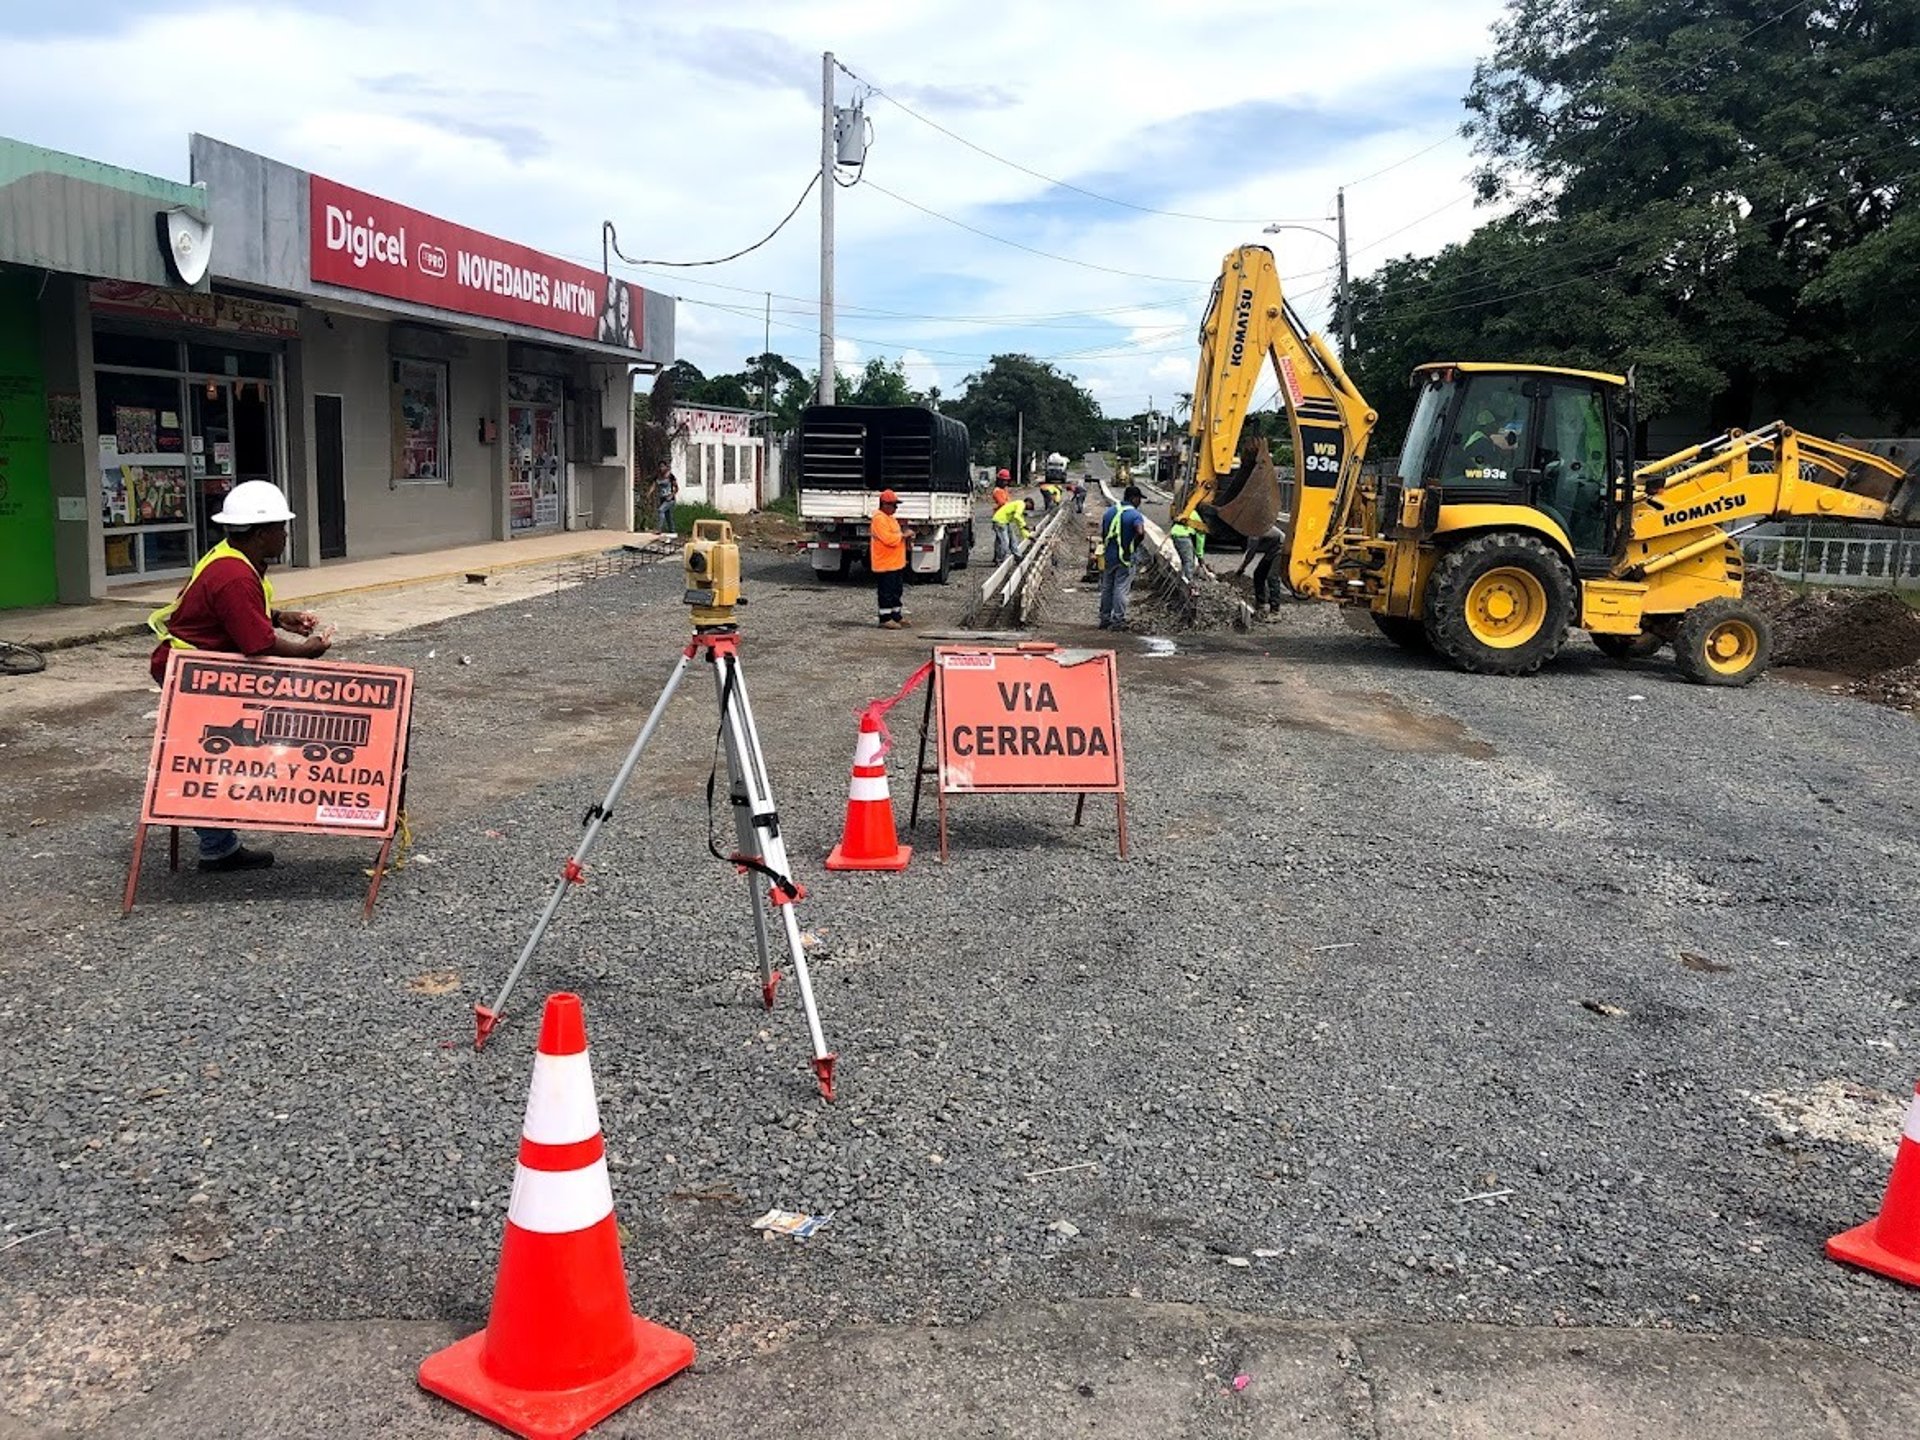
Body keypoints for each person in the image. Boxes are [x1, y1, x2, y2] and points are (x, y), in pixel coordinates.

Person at [146, 480, 331, 872]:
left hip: (200, 668)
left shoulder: (233, 558)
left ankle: (218, 843)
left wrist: (280, 617)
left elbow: (239, 614)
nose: (285, 534)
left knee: (215, 751)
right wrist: (305, 651)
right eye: (280, 527)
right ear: (262, 533)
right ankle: (216, 843)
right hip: (194, 672)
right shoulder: (234, 575)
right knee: (203, 755)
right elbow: (257, 644)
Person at [1098, 484, 1148, 630]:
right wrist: (1133, 546)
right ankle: (1118, 621)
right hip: (1125, 558)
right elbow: (1140, 532)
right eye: (1139, 499)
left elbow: (1104, 533)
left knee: (1107, 587)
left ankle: (1104, 619)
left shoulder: (1110, 512)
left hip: (1109, 556)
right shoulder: (1134, 515)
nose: (1140, 502)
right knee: (1121, 587)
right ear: (1134, 498)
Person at [870, 488, 914, 629]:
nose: (895, 508)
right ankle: (885, 618)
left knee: (896, 591)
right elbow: (889, 539)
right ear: (884, 504)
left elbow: (896, 538)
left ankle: (896, 616)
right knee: (886, 592)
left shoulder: (891, 519)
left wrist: (906, 539)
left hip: (895, 563)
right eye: (893, 505)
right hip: (885, 563)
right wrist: (904, 536)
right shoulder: (879, 519)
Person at [992, 490, 1031, 562]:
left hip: (1005, 522)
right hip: (999, 521)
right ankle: (1000, 559)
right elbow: (1017, 517)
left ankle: (1017, 556)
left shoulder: (1019, 510)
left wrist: (1029, 536)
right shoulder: (1021, 504)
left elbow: (1020, 525)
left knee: (1013, 539)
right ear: (1028, 502)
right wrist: (1025, 525)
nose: (1029, 508)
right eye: (1030, 505)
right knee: (1005, 542)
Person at [1168, 512, 1207, 583]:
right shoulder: (1200, 524)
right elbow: (1200, 540)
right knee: (1188, 561)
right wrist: (1200, 556)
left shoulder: (1192, 512)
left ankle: (1183, 578)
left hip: (1176, 534)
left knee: (1185, 560)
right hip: (1182, 536)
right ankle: (1189, 583)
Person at [653, 461, 679, 535]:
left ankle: (659, 529)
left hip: (670, 499)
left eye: (663, 466)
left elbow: (676, 488)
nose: (661, 468)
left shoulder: (670, 476)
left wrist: (671, 495)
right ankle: (672, 530)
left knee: (660, 510)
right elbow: (654, 485)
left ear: (666, 467)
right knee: (668, 515)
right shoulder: (658, 476)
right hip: (662, 498)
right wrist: (648, 493)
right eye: (660, 467)